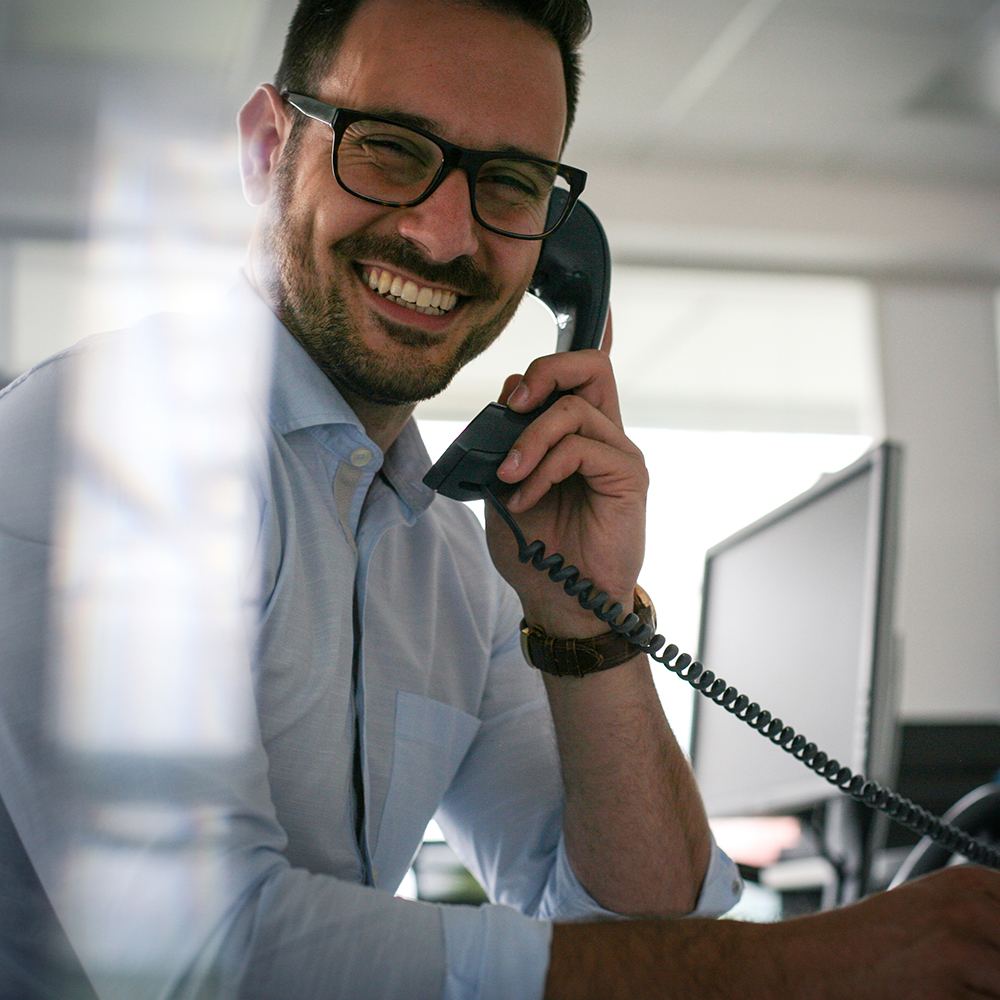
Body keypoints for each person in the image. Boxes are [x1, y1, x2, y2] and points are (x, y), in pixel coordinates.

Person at [0, 1, 998, 998]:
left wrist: (584, 622)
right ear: (268, 149)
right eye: (389, 150)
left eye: (508, 183)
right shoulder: (105, 446)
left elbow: (641, 924)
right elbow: (204, 954)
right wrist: (799, 966)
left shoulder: (454, 557)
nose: (443, 234)